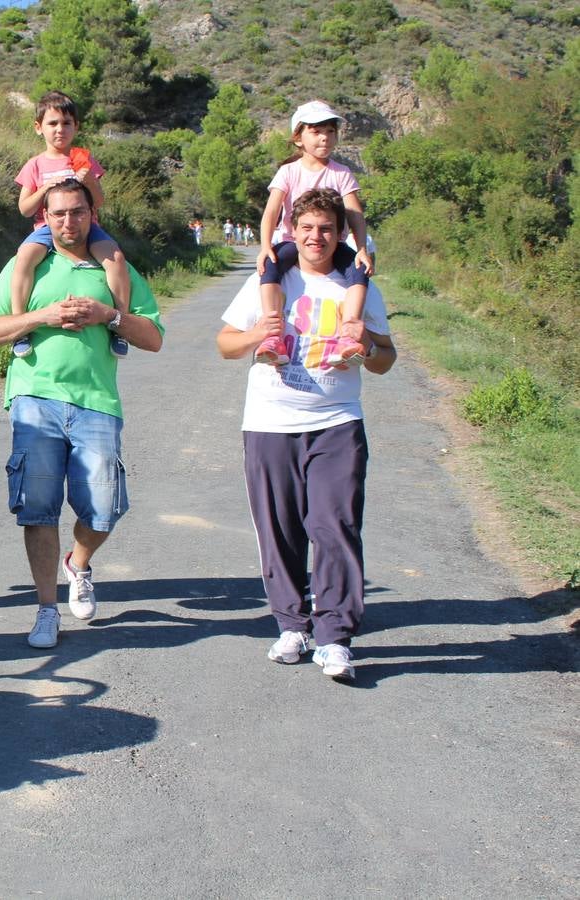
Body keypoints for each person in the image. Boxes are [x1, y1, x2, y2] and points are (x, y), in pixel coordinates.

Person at [216, 188, 397, 682]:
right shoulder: (269, 279)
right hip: (270, 423)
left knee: (335, 526)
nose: (315, 237)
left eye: (326, 229)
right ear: (291, 232)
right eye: (307, 228)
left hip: (337, 421)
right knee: (279, 531)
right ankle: (292, 626)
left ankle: (335, 637)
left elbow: (386, 358)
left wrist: (364, 352)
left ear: (341, 234)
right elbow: (226, 344)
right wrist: (259, 336)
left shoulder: (356, 286)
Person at [0, 179, 164, 649]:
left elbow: (154, 336)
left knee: (103, 510)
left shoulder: (110, 265)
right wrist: (42, 317)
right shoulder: (31, 263)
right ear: (45, 216)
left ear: (91, 212)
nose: (67, 221)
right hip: (34, 399)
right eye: (58, 213)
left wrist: (109, 315)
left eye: (76, 212)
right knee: (37, 509)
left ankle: (77, 564)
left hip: (96, 403)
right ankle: (45, 610)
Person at [9, 91, 131, 361]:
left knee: (116, 257)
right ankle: (19, 327)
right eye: (52, 124)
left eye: (66, 123)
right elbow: (25, 208)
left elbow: (98, 202)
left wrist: (90, 181)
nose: (60, 130)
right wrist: (44, 189)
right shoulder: (35, 165)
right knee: (24, 258)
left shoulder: (84, 159)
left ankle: (120, 325)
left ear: (76, 126)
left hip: (87, 227)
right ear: (39, 128)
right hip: (46, 228)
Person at [256, 100, 373, 371]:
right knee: (270, 266)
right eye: (316, 131)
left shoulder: (342, 173)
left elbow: (354, 214)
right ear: (298, 138)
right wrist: (265, 247)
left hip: (335, 245)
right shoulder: (288, 171)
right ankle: (274, 337)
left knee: (358, 270)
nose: (325, 137)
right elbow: (271, 212)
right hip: (292, 243)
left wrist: (362, 249)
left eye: (330, 131)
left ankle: (349, 335)